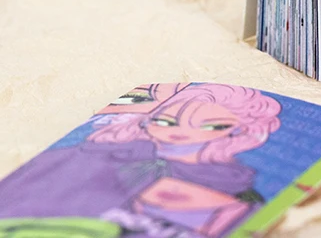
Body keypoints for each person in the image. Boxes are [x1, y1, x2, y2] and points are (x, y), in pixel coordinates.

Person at [0, 84, 282, 238]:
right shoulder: (93, 156)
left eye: (211, 126)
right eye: (164, 121)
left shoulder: (236, 184)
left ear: (242, 129)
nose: (179, 131)